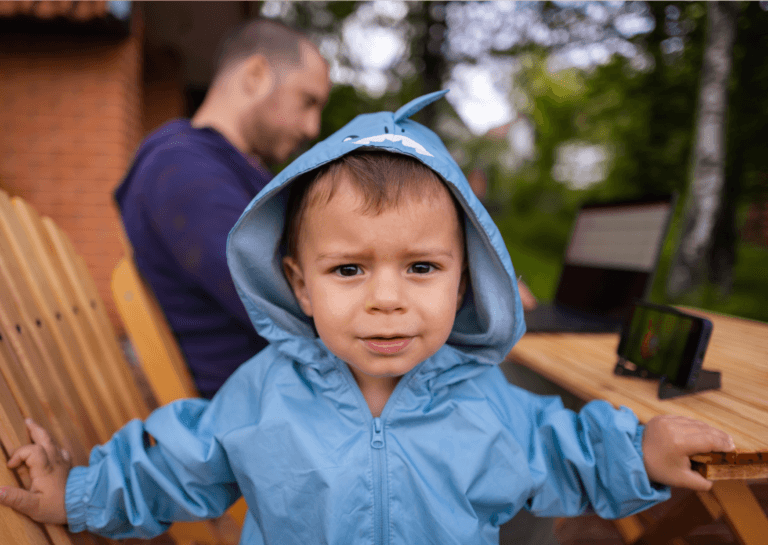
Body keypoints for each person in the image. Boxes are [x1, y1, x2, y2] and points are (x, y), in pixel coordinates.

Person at [0, 92, 734, 544]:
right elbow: (173, 463)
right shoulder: (264, 392)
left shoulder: (486, 402)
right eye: (349, 269)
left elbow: (565, 448)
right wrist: (75, 490)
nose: (388, 298)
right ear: (301, 284)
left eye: (421, 267)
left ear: (464, 282)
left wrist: (642, 450)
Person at [114, 18, 331, 398]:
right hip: (259, 416)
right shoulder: (182, 168)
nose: (312, 127)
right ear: (256, 74)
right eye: (307, 101)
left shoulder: (227, 169)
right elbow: (284, 301)